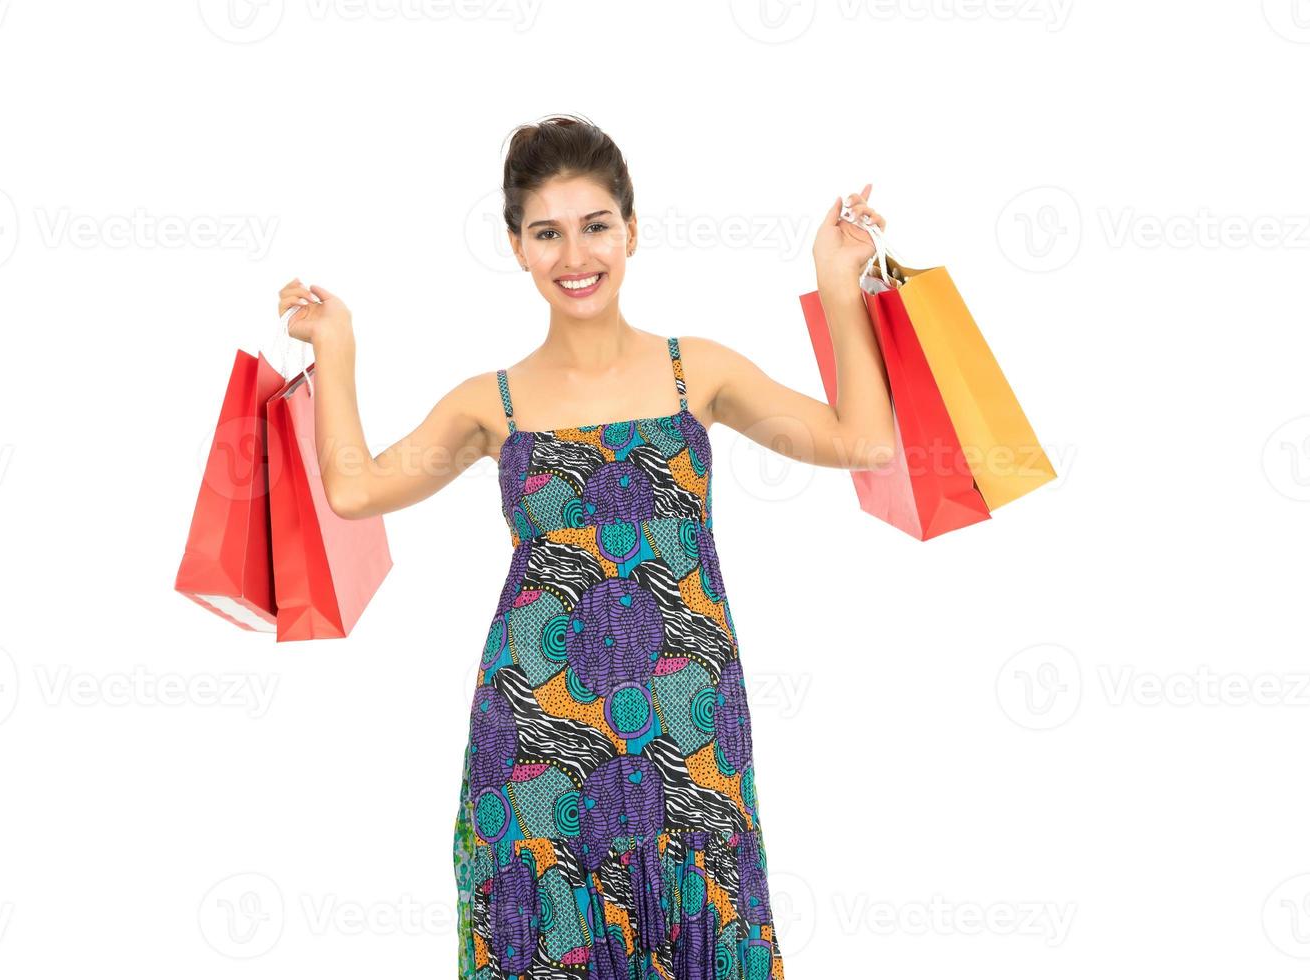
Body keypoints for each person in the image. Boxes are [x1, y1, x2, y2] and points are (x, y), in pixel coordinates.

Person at [279, 113, 893, 979]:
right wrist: (337, 349)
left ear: (631, 231)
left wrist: (837, 285)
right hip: (537, 737)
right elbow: (355, 489)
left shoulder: (697, 371)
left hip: (690, 731)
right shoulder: (491, 401)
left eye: (595, 225)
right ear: (517, 247)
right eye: (547, 233)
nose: (575, 255)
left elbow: (861, 441)